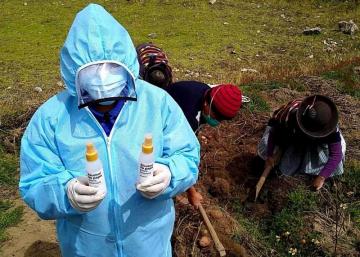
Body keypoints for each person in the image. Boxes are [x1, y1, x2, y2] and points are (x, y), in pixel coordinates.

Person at [19, 4, 200, 257]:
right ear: (74, 76)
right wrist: (65, 192)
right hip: (86, 248)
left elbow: (188, 156)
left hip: (148, 244)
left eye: (115, 83)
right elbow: (34, 183)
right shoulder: (51, 117)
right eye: (92, 88)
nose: (105, 94)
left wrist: (171, 174)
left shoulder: (158, 104)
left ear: (129, 69)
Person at [166, 80, 243, 207]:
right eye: (217, 117)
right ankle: (175, 191)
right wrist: (191, 192)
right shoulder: (189, 112)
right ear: (207, 104)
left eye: (221, 119)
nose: (218, 122)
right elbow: (177, 151)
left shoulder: (208, 93)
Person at [257, 95, 346, 190]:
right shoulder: (288, 116)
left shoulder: (329, 127)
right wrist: (270, 155)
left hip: (312, 140)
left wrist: (322, 177)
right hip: (291, 133)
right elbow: (273, 134)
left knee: (327, 159)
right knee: (285, 167)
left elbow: (336, 154)